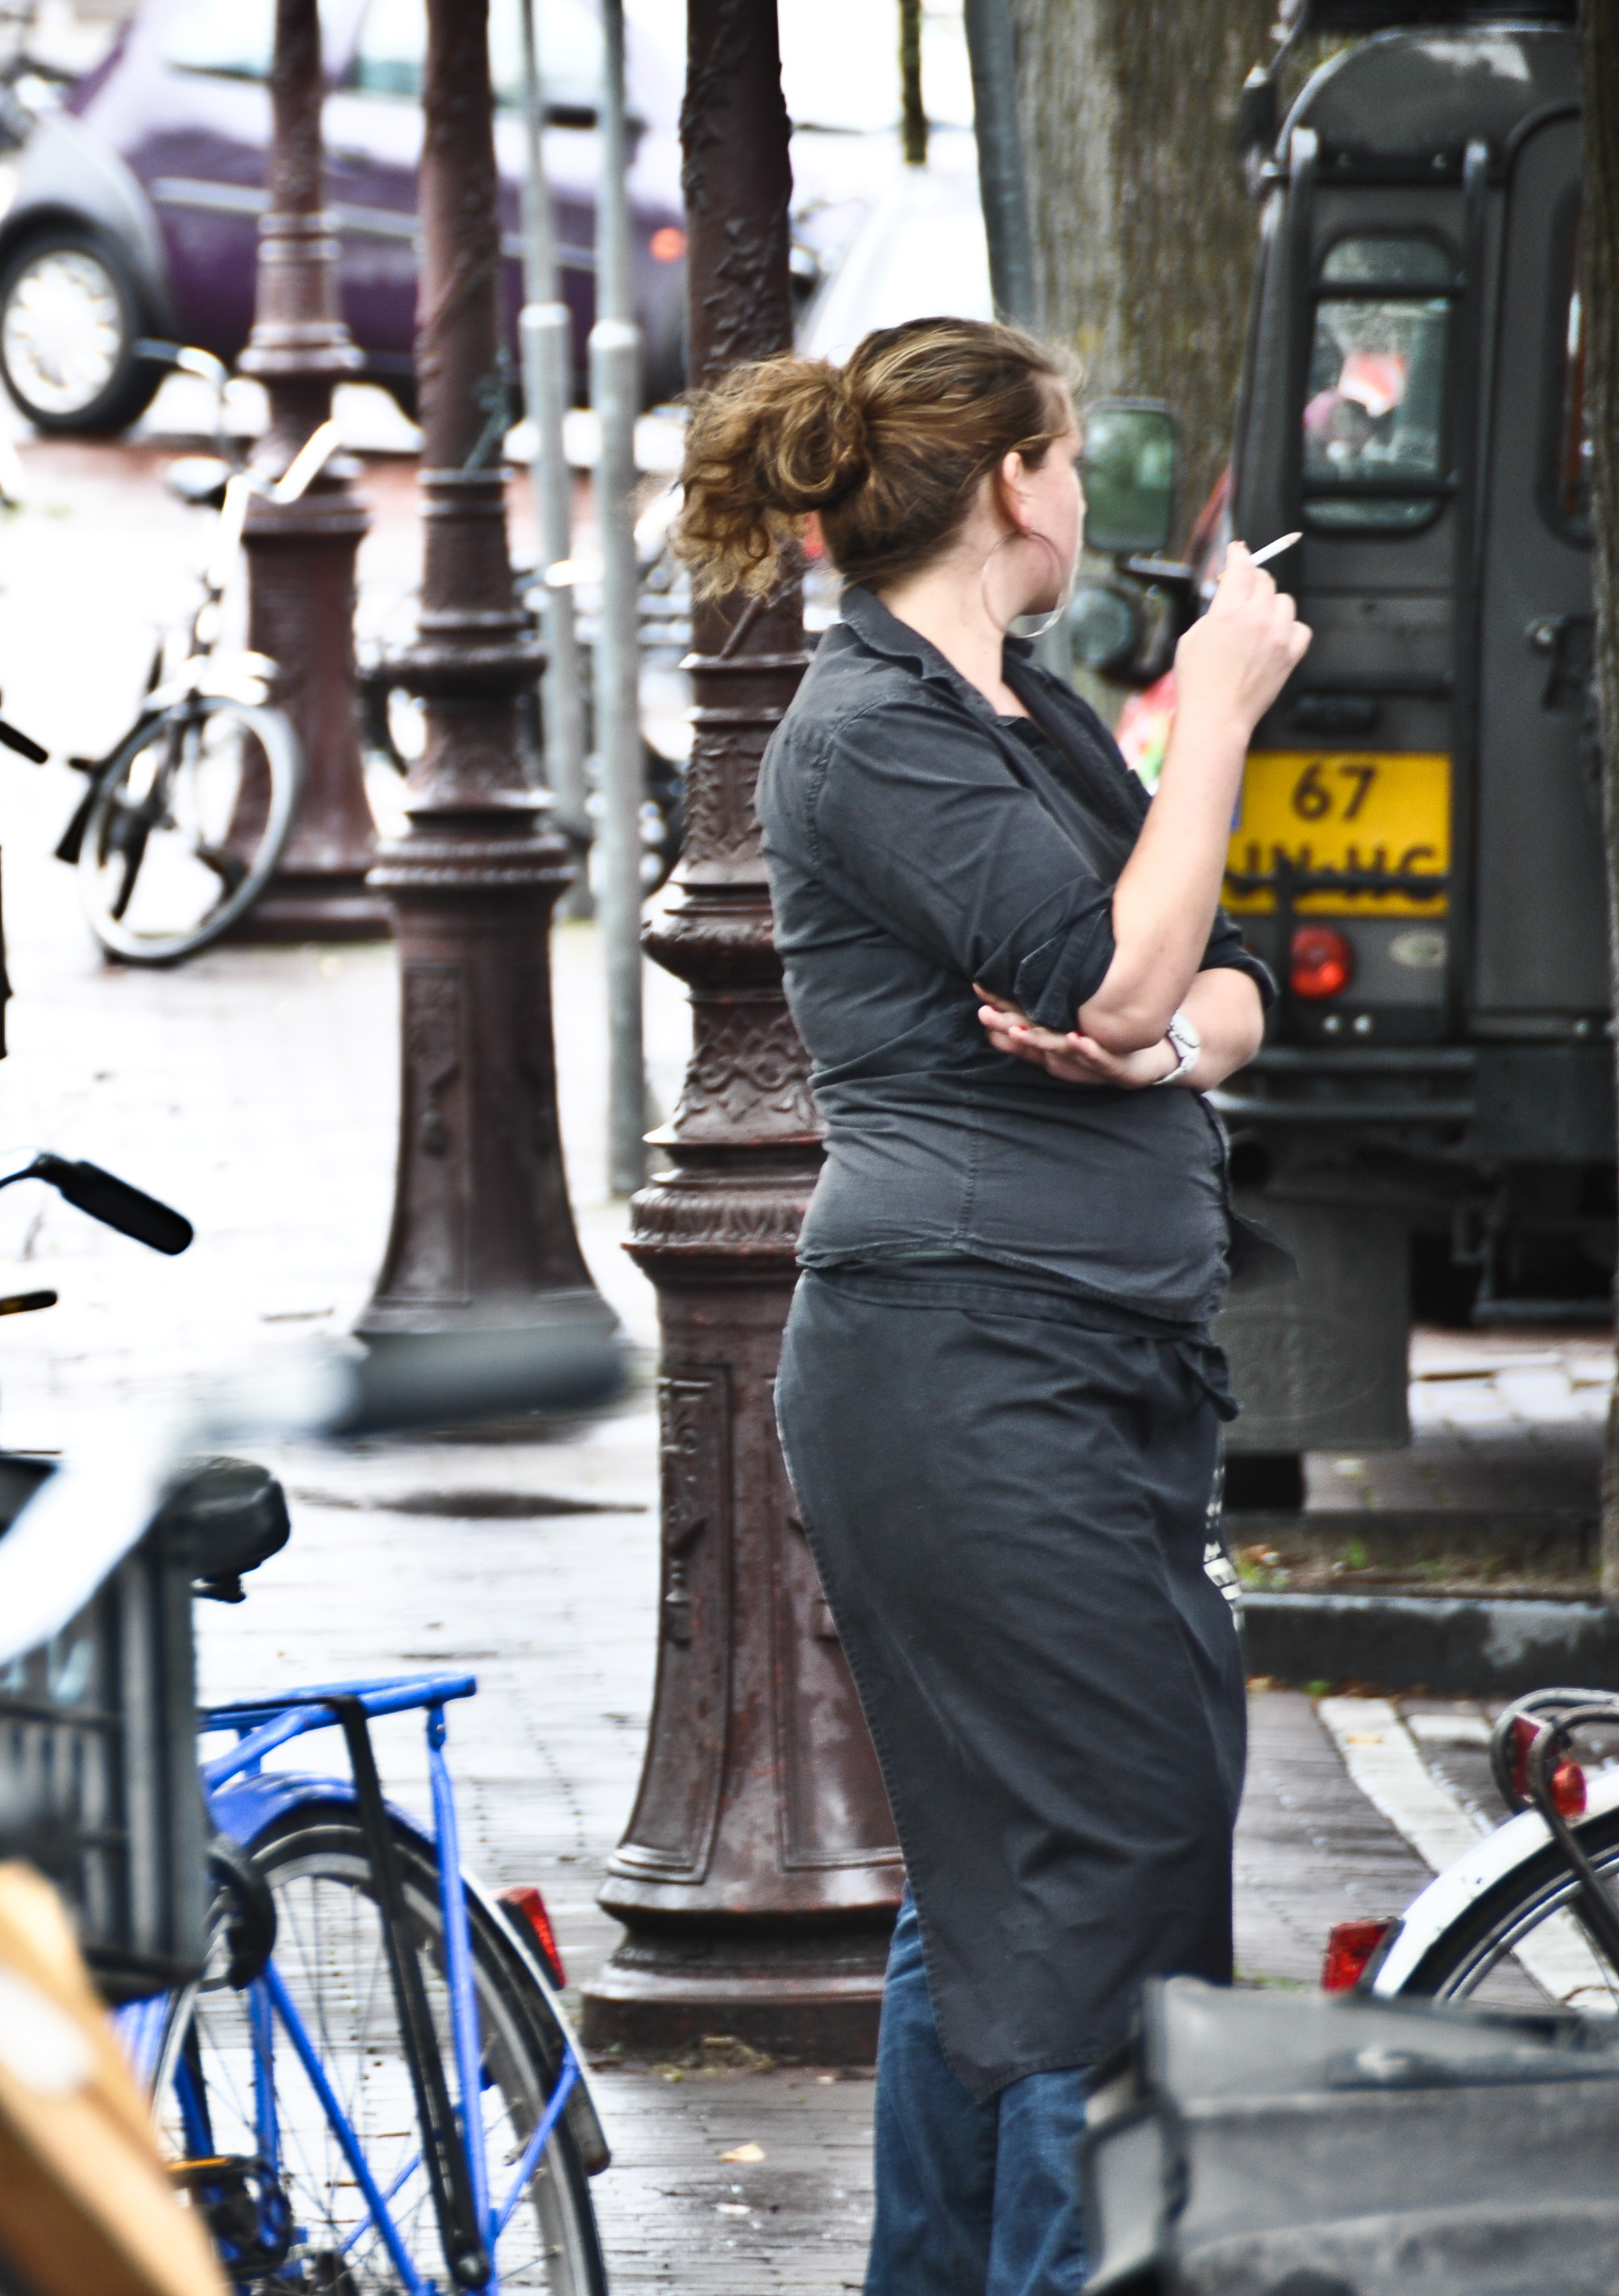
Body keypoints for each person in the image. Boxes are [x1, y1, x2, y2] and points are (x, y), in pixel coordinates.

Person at [673, 317, 1311, 2296]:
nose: (1084, 498)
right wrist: (1208, 713)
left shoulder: (1002, 708)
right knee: (1110, 1882)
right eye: (1067, 459)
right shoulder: (859, 731)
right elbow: (1127, 971)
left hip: (1076, 1346)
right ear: (1016, 482)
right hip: (970, 1358)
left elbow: (1224, 981)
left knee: (1011, 1888)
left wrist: (1160, 1034)